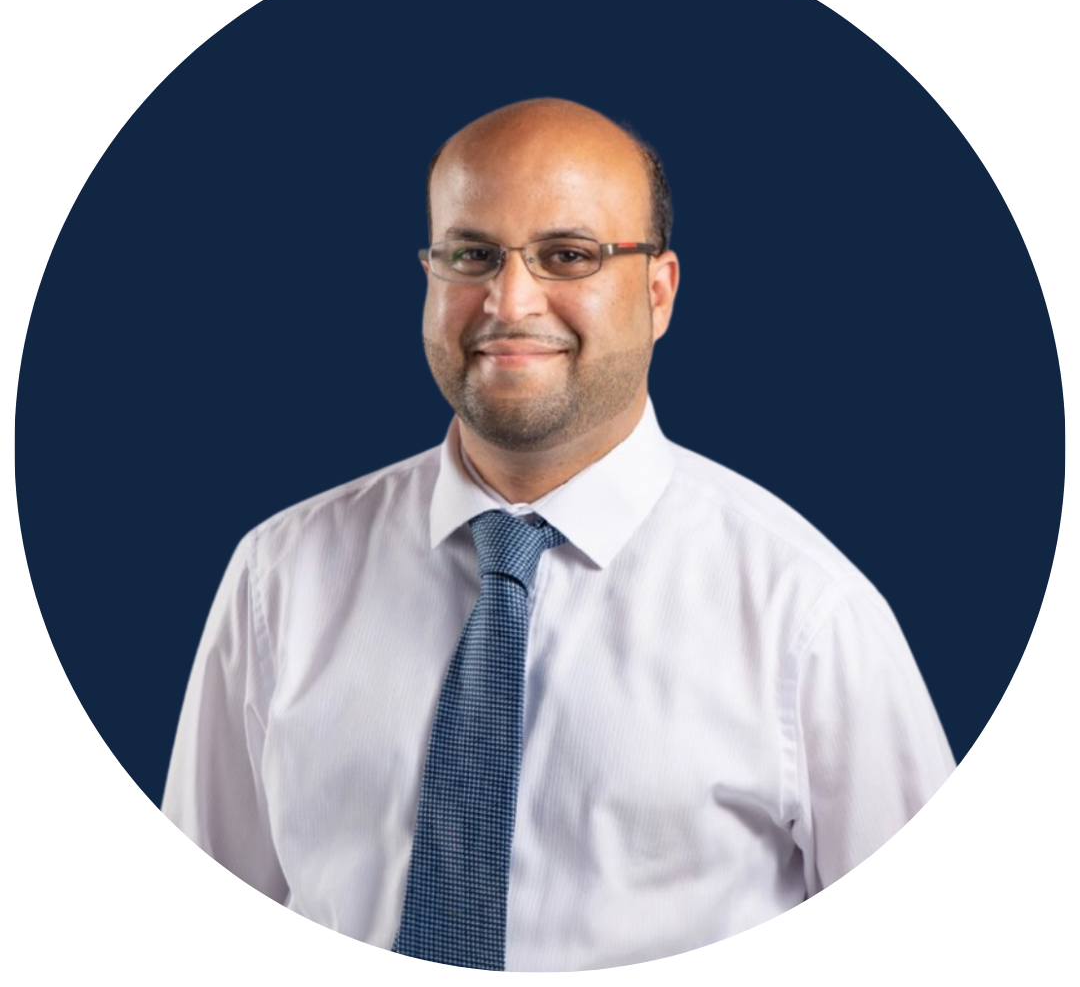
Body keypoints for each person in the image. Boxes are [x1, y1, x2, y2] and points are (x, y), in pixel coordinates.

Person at [160, 97, 955, 971]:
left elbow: (922, 950)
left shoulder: (805, 613)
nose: (508, 300)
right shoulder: (281, 576)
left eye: (567, 256)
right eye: (472, 255)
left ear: (659, 292)